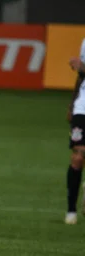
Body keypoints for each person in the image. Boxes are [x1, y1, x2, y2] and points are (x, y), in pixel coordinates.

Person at [65, 38, 85, 224]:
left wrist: (82, 67)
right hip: (83, 109)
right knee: (78, 156)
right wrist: (72, 104)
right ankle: (71, 210)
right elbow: (81, 77)